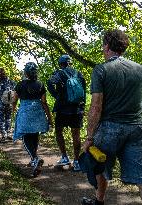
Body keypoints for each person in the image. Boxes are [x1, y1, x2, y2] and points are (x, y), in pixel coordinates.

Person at [81, 29, 142, 205]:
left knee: (100, 165)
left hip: (109, 128)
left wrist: (90, 137)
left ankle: (99, 201)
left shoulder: (101, 70)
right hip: (137, 127)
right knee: (140, 175)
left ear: (107, 46)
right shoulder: (139, 69)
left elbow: (96, 106)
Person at [12, 62, 52, 177]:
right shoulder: (40, 84)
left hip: (25, 112)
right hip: (38, 112)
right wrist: (49, 118)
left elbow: (14, 100)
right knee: (35, 135)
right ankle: (34, 158)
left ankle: (35, 158)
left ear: (26, 73)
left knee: (25, 136)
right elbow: (44, 102)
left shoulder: (19, 85)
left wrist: (13, 110)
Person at [47, 54, 86, 171]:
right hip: (77, 109)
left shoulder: (58, 73)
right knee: (76, 134)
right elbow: (84, 90)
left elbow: (49, 84)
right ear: (70, 63)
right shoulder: (78, 73)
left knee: (58, 132)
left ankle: (64, 157)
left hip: (62, 109)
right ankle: (77, 161)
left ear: (61, 63)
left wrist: (57, 96)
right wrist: (82, 106)